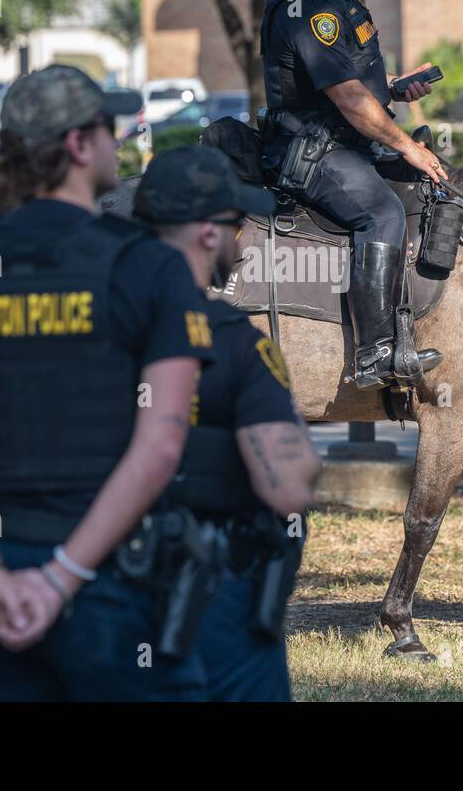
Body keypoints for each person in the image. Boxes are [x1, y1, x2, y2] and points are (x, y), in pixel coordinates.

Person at [0, 64, 217, 701]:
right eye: (108, 128)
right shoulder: (148, 267)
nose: (118, 141)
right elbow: (162, 446)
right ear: (77, 145)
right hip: (118, 588)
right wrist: (64, 576)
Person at [133, 145, 321, 701]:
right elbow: (286, 487)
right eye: (238, 224)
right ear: (209, 234)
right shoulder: (237, 345)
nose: (242, 238)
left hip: (101, 584)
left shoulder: (100, 326)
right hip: (209, 591)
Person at [261, 0, 447, 389]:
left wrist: (390, 90)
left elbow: (349, 85)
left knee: (429, 188)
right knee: (381, 211)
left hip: (344, 141)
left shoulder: (337, 0)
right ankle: (376, 352)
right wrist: (405, 143)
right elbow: (344, 97)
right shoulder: (305, 4)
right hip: (313, 153)